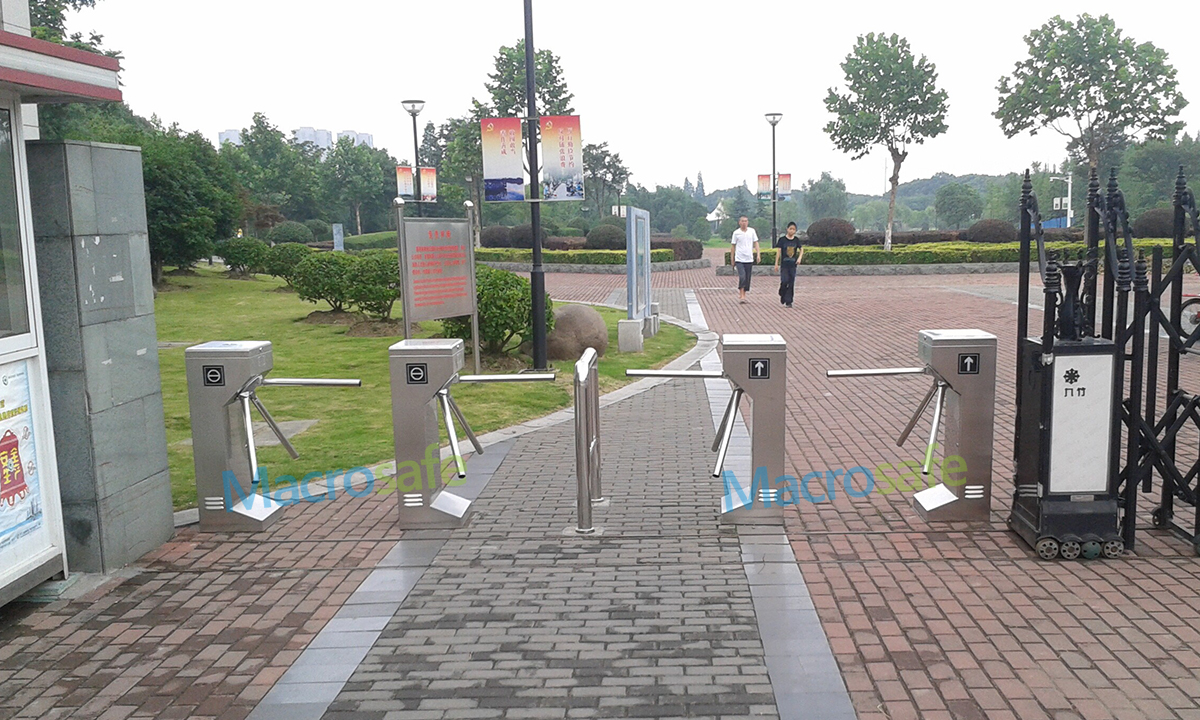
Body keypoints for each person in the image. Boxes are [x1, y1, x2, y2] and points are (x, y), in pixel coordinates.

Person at [730, 216, 760, 303]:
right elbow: (733, 246)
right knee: (742, 276)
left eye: (746, 221)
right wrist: (732, 259)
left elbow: (756, 243)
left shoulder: (752, 231)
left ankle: (744, 293)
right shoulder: (736, 233)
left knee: (747, 278)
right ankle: (741, 295)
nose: (744, 223)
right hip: (739, 259)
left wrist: (758, 254)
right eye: (742, 221)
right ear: (739, 222)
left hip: (749, 258)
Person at [774, 222, 803, 308]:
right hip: (784, 265)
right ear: (787, 229)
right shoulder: (782, 240)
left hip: (793, 265)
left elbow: (801, 249)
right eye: (790, 229)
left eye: (794, 229)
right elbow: (778, 252)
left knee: (791, 283)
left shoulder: (796, 240)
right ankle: (782, 292)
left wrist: (799, 258)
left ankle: (789, 301)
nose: (792, 231)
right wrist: (776, 263)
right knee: (784, 281)